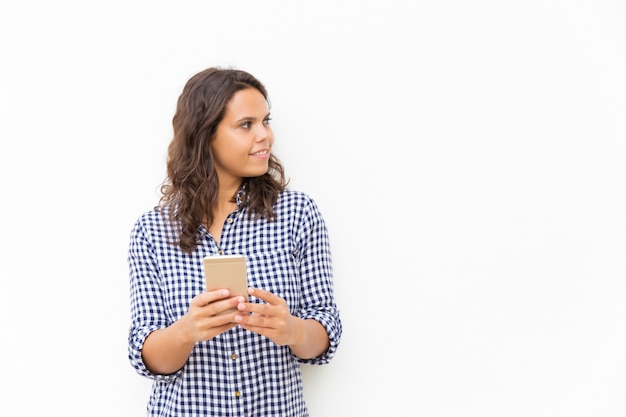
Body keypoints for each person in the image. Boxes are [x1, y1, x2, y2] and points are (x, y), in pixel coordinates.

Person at [127, 67, 342, 417]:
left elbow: (324, 330)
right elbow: (147, 354)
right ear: (205, 135)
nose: (265, 136)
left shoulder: (298, 214)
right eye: (246, 125)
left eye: (265, 121)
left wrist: (292, 330)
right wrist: (186, 331)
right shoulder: (152, 230)